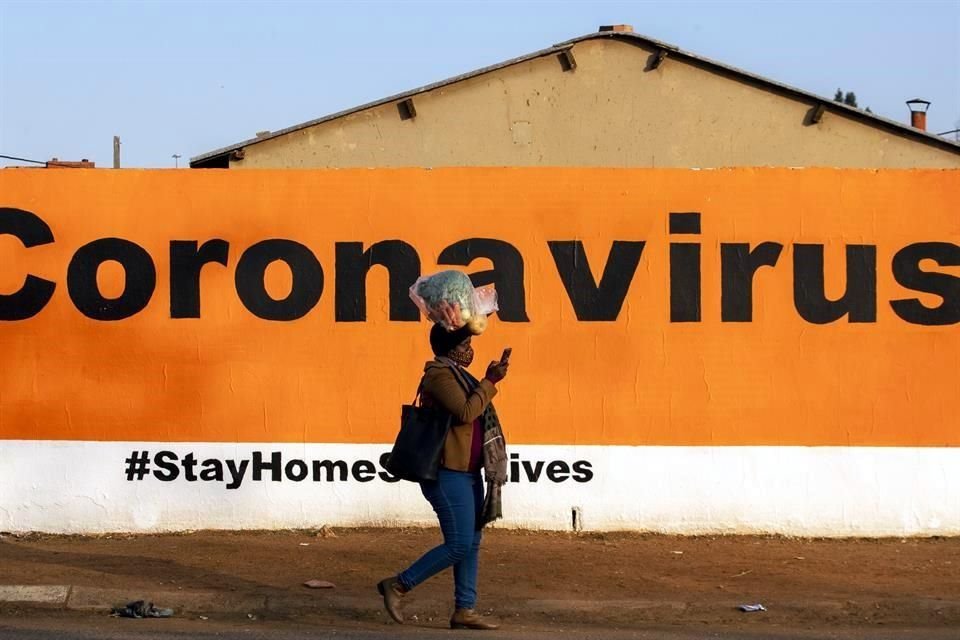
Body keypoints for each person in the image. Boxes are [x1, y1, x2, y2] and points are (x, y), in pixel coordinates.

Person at [378, 321, 510, 630]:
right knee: (460, 543)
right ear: (450, 348)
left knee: (472, 541)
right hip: (447, 472)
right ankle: (397, 585)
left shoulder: (459, 374)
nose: (468, 350)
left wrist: (488, 380)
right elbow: (465, 412)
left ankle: (465, 609)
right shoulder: (438, 374)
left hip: (468, 471)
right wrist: (490, 380)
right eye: (464, 345)